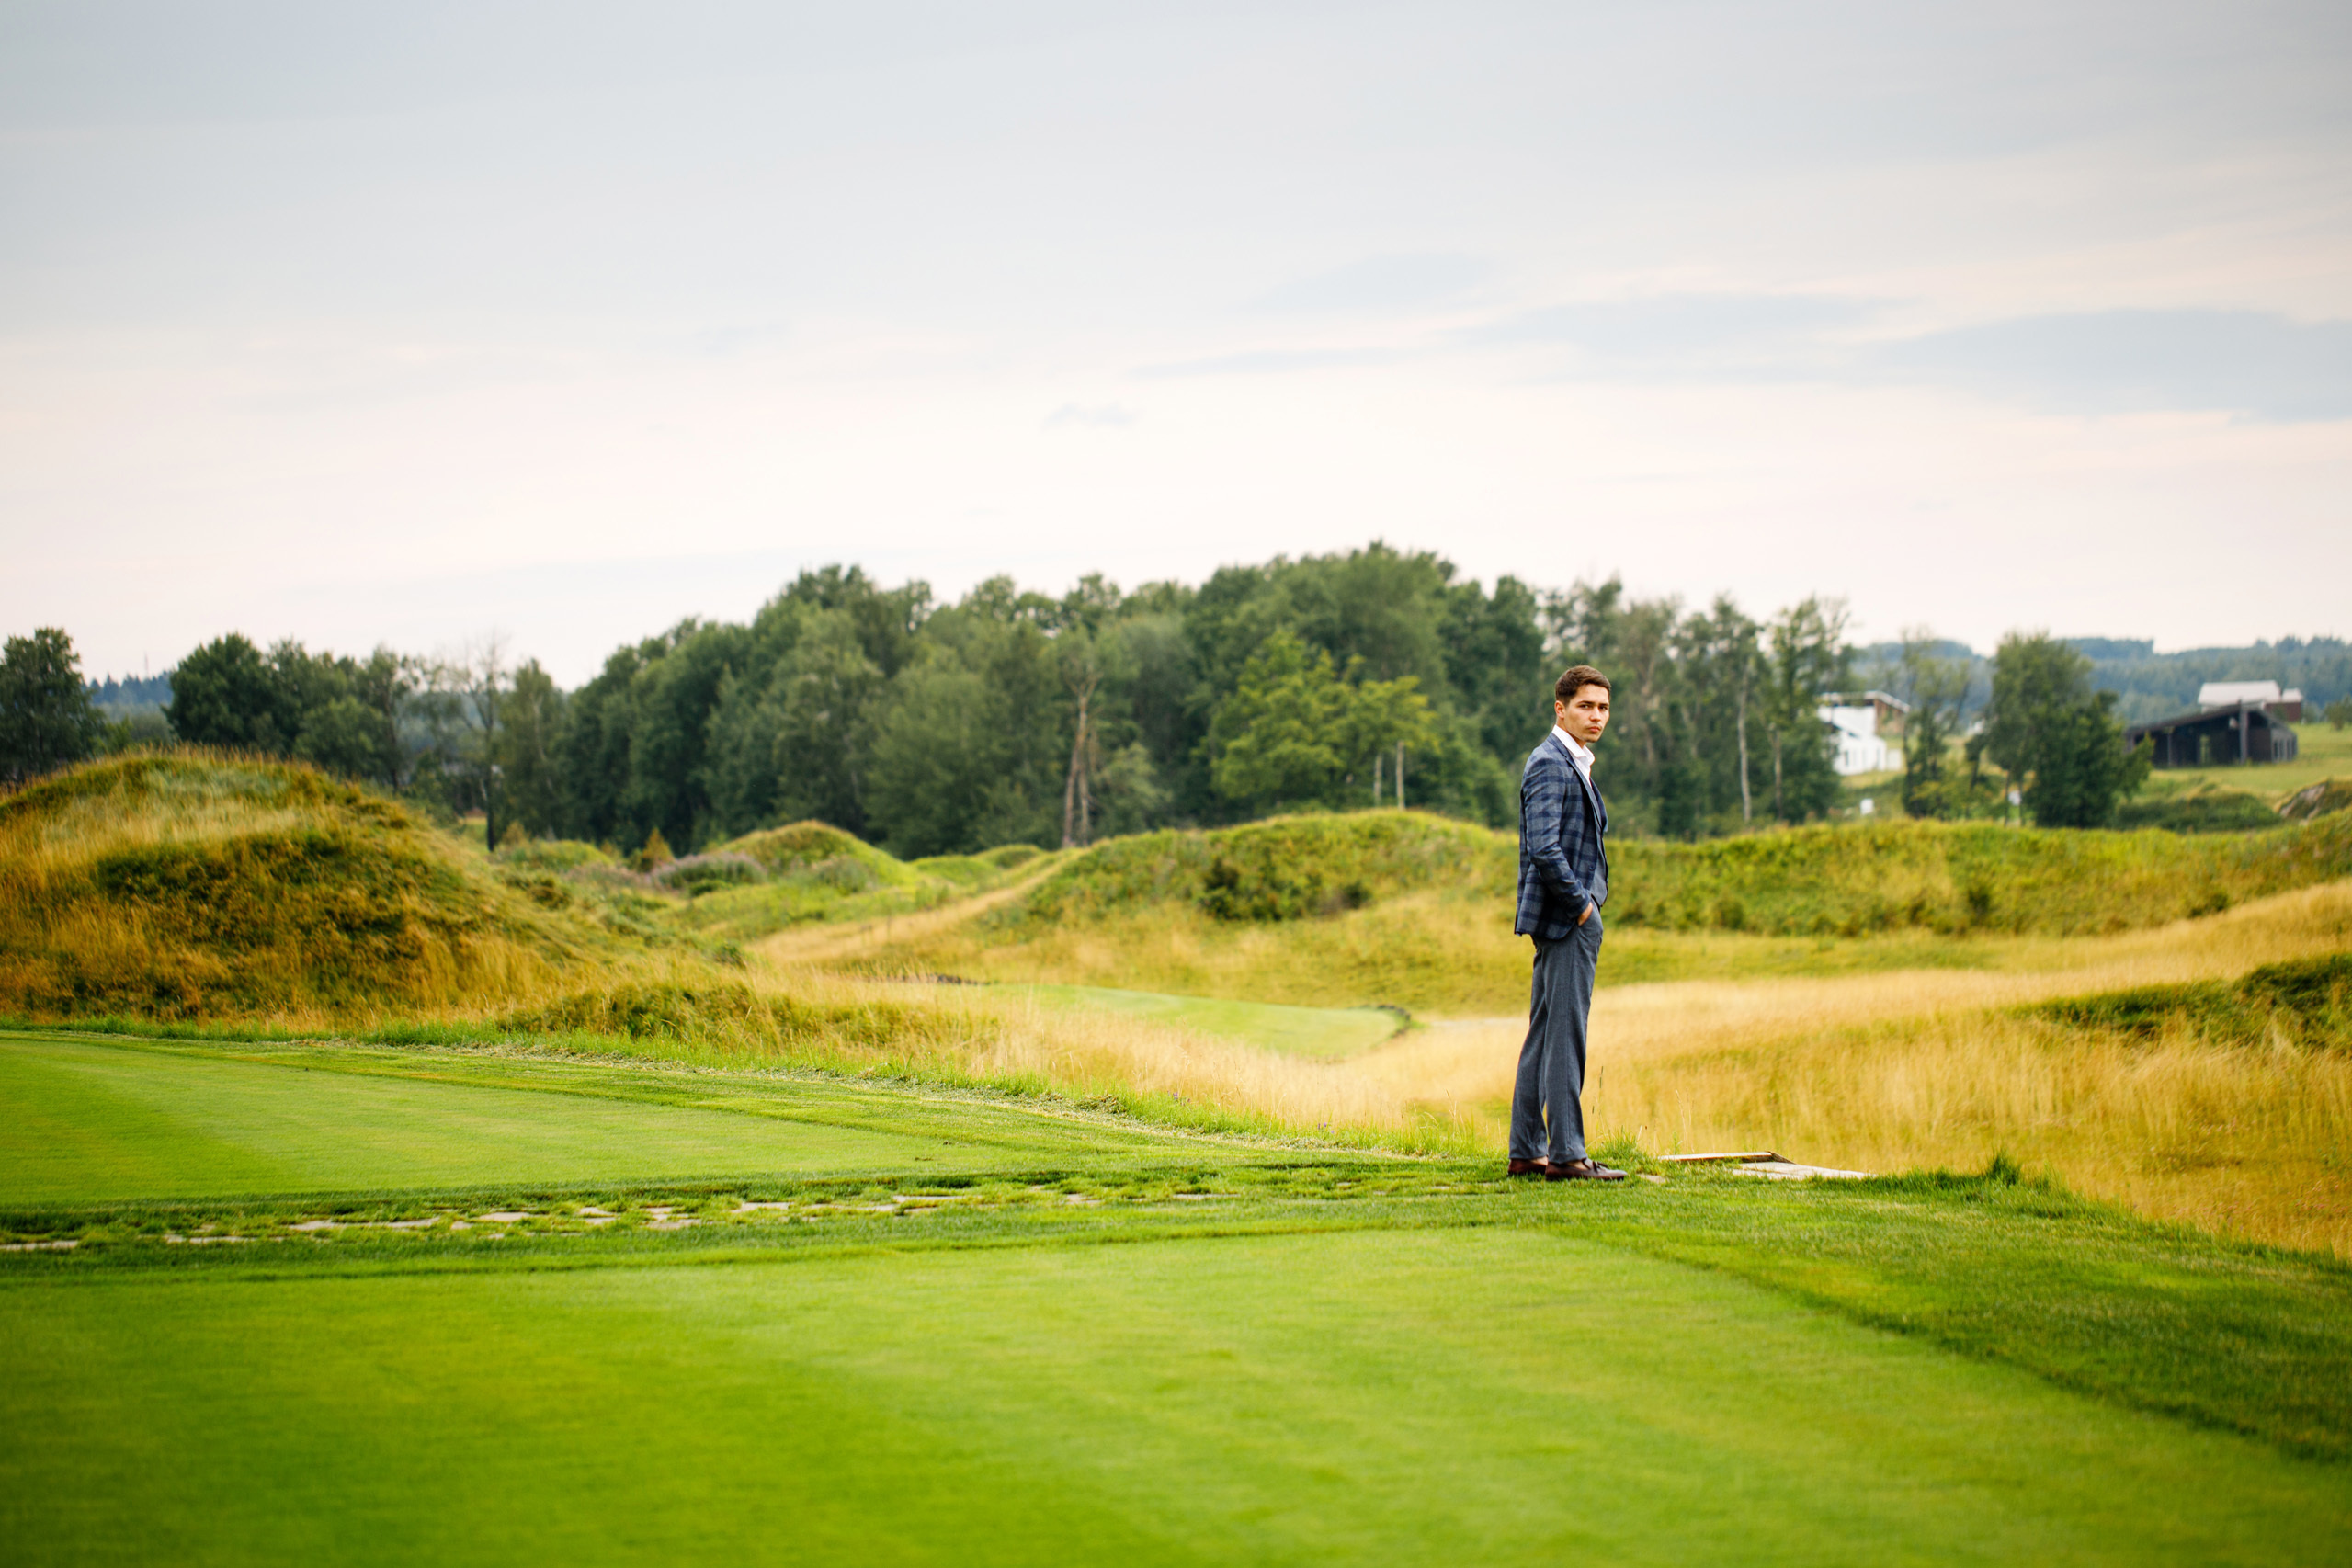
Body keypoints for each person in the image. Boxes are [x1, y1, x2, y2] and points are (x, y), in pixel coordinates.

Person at [1509, 665, 1626, 1182]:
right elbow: (1544, 847)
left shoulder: (1573, 761)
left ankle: (1528, 1152)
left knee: (1544, 1034)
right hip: (1566, 920)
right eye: (1585, 706)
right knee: (1565, 1036)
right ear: (1561, 709)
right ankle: (1567, 1156)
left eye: (1602, 707)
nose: (1596, 715)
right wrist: (1583, 907)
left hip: (1568, 918)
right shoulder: (1551, 762)